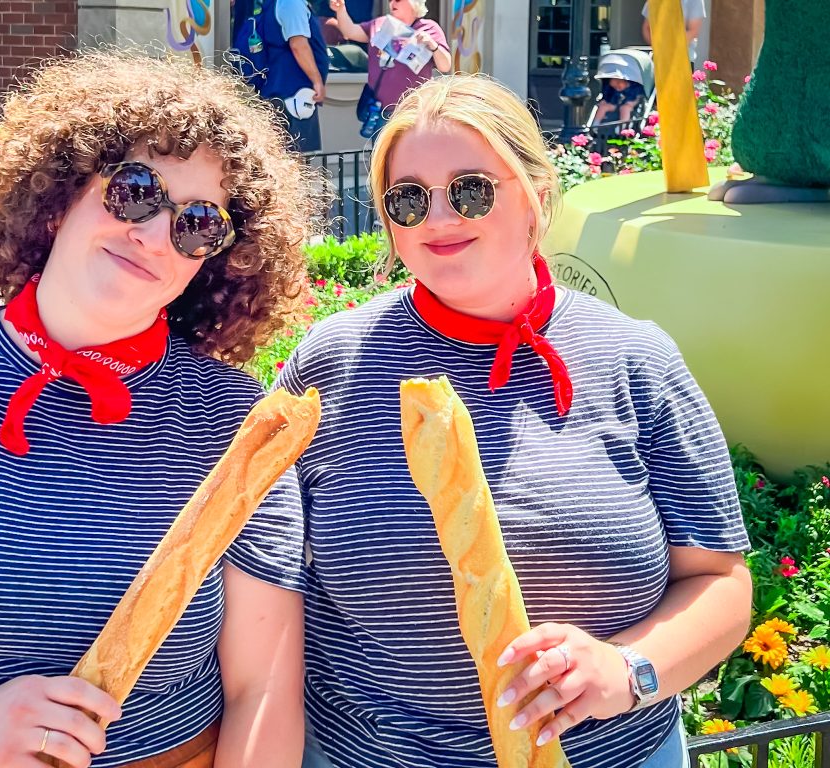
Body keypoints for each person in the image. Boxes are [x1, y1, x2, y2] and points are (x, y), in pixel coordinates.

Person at [0, 49, 321, 768]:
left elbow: (260, 685)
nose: (154, 234)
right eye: (136, 190)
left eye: (199, 223)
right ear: (60, 196)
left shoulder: (234, 422)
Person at [277, 74, 752, 768]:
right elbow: (261, 576)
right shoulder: (333, 363)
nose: (439, 218)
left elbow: (720, 582)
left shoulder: (634, 357)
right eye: (408, 199)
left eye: (470, 188)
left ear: (534, 191)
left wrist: (627, 671)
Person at [329, 0, 450, 132]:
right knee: (383, 152)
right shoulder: (381, 24)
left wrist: (433, 45)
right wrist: (340, 10)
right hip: (381, 111)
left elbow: (445, 66)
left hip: (414, 111)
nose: (392, 3)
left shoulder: (429, 28)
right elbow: (350, 31)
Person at [233, 0, 330, 153]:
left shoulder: (275, 4)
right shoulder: (292, 3)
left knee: (280, 157)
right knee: (295, 159)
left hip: (277, 91)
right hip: (294, 94)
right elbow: (298, 45)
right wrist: (317, 80)